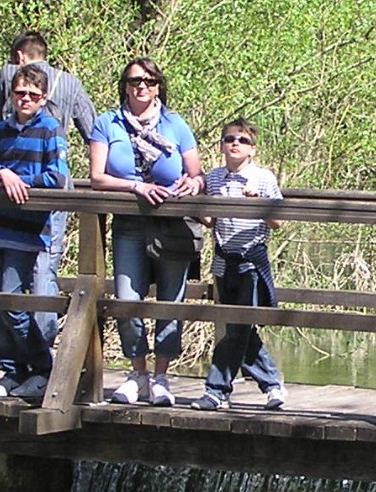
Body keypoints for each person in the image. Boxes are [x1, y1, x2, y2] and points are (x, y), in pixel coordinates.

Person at [88, 56, 202, 406]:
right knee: (127, 299)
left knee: (171, 300)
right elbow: (97, 177)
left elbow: (196, 173)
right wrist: (135, 187)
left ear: (158, 87)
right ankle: (137, 372)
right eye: (135, 80)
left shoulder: (175, 124)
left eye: (149, 81)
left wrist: (194, 184)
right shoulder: (107, 123)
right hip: (129, 223)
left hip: (172, 224)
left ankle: (161, 376)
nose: (142, 86)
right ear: (125, 86)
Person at [0, 30, 95, 350]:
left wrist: (0, 172)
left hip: (11, 187)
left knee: (1, 271)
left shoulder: (9, 76)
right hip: (53, 191)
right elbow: (92, 132)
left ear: (20, 57)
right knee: (45, 266)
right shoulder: (70, 82)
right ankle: (44, 343)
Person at [0, 63, 69, 401]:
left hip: (27, 230)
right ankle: (13, 371)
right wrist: (1, 174)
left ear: (42, 98)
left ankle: (42, 367)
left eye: (32, 94)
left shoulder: (50, 129)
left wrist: (18, 180)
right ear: (11, 95)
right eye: (19, 93)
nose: (25, 99)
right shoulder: (1, 130)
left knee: (12, 301)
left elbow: (57, 177)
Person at [193, 118, 286, 411]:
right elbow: (209, 221)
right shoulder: (214, 178)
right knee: (240, 328)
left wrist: (258, 204)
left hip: (251, 261)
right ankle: (273, 384)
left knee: (239, 327)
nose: (235, 144)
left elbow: (279, 221)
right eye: (230, 139)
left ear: (252, 149)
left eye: (243, 140)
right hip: (224, 261)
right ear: (221, 146)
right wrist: (197, 203)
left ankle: (216, 391)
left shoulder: (263, 178)